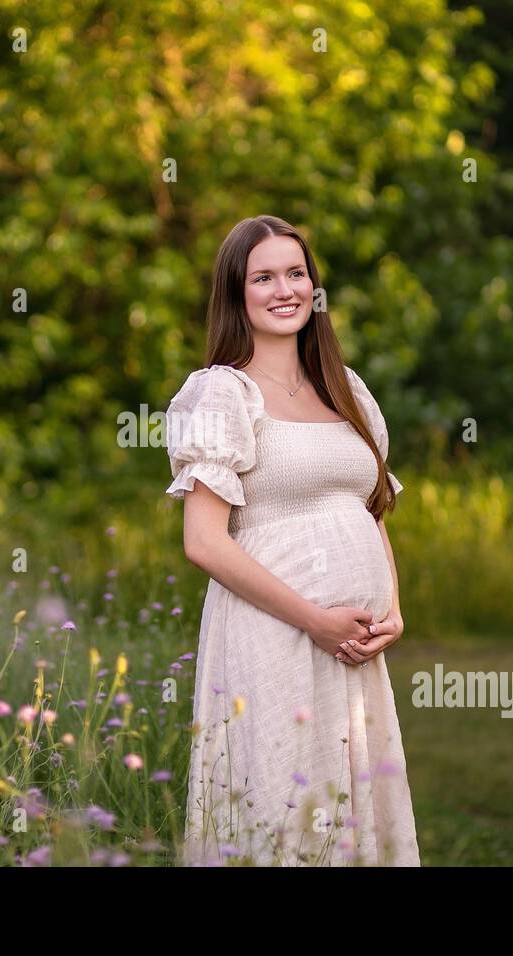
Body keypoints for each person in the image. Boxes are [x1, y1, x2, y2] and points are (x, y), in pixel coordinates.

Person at [165, 214, 420, 866]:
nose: (285, 289)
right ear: (237, 294)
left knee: (355, 813)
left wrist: (391, 611)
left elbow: (373, 508)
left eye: (296, 273)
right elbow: (205, 542)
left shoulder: (344, 387)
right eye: (264, 277)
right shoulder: (224, 392)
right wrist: (316, 621)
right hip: (274, 635)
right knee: (280, 807)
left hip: (354, 647)